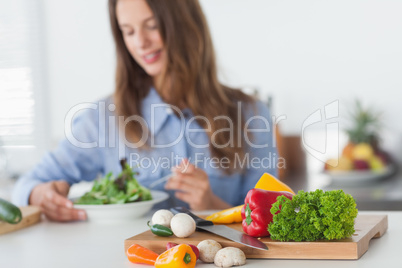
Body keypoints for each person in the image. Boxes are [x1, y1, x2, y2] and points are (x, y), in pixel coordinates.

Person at [12, 0, 277, 222]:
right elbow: (29, 183)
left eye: (152, 25)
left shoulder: (251, 115)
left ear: (186, 24)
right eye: (128, 31)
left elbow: (271, 217)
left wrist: (212, 205)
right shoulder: (104, 118)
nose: (141, 42)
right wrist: (40, 195)